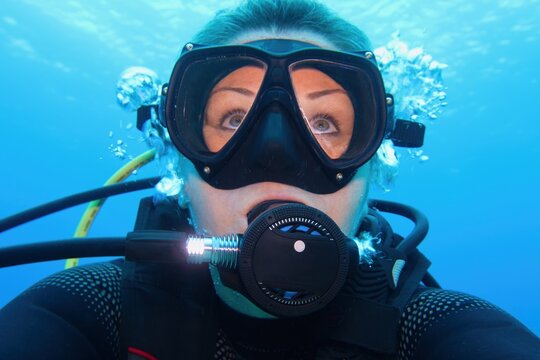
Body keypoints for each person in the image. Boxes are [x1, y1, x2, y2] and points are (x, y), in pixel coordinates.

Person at [0, 0, 538, 359]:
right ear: (178, 159)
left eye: (325, 123)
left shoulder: (433, 328)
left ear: (373, 161)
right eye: (234, 119)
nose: (276, 154)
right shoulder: (91, 308)